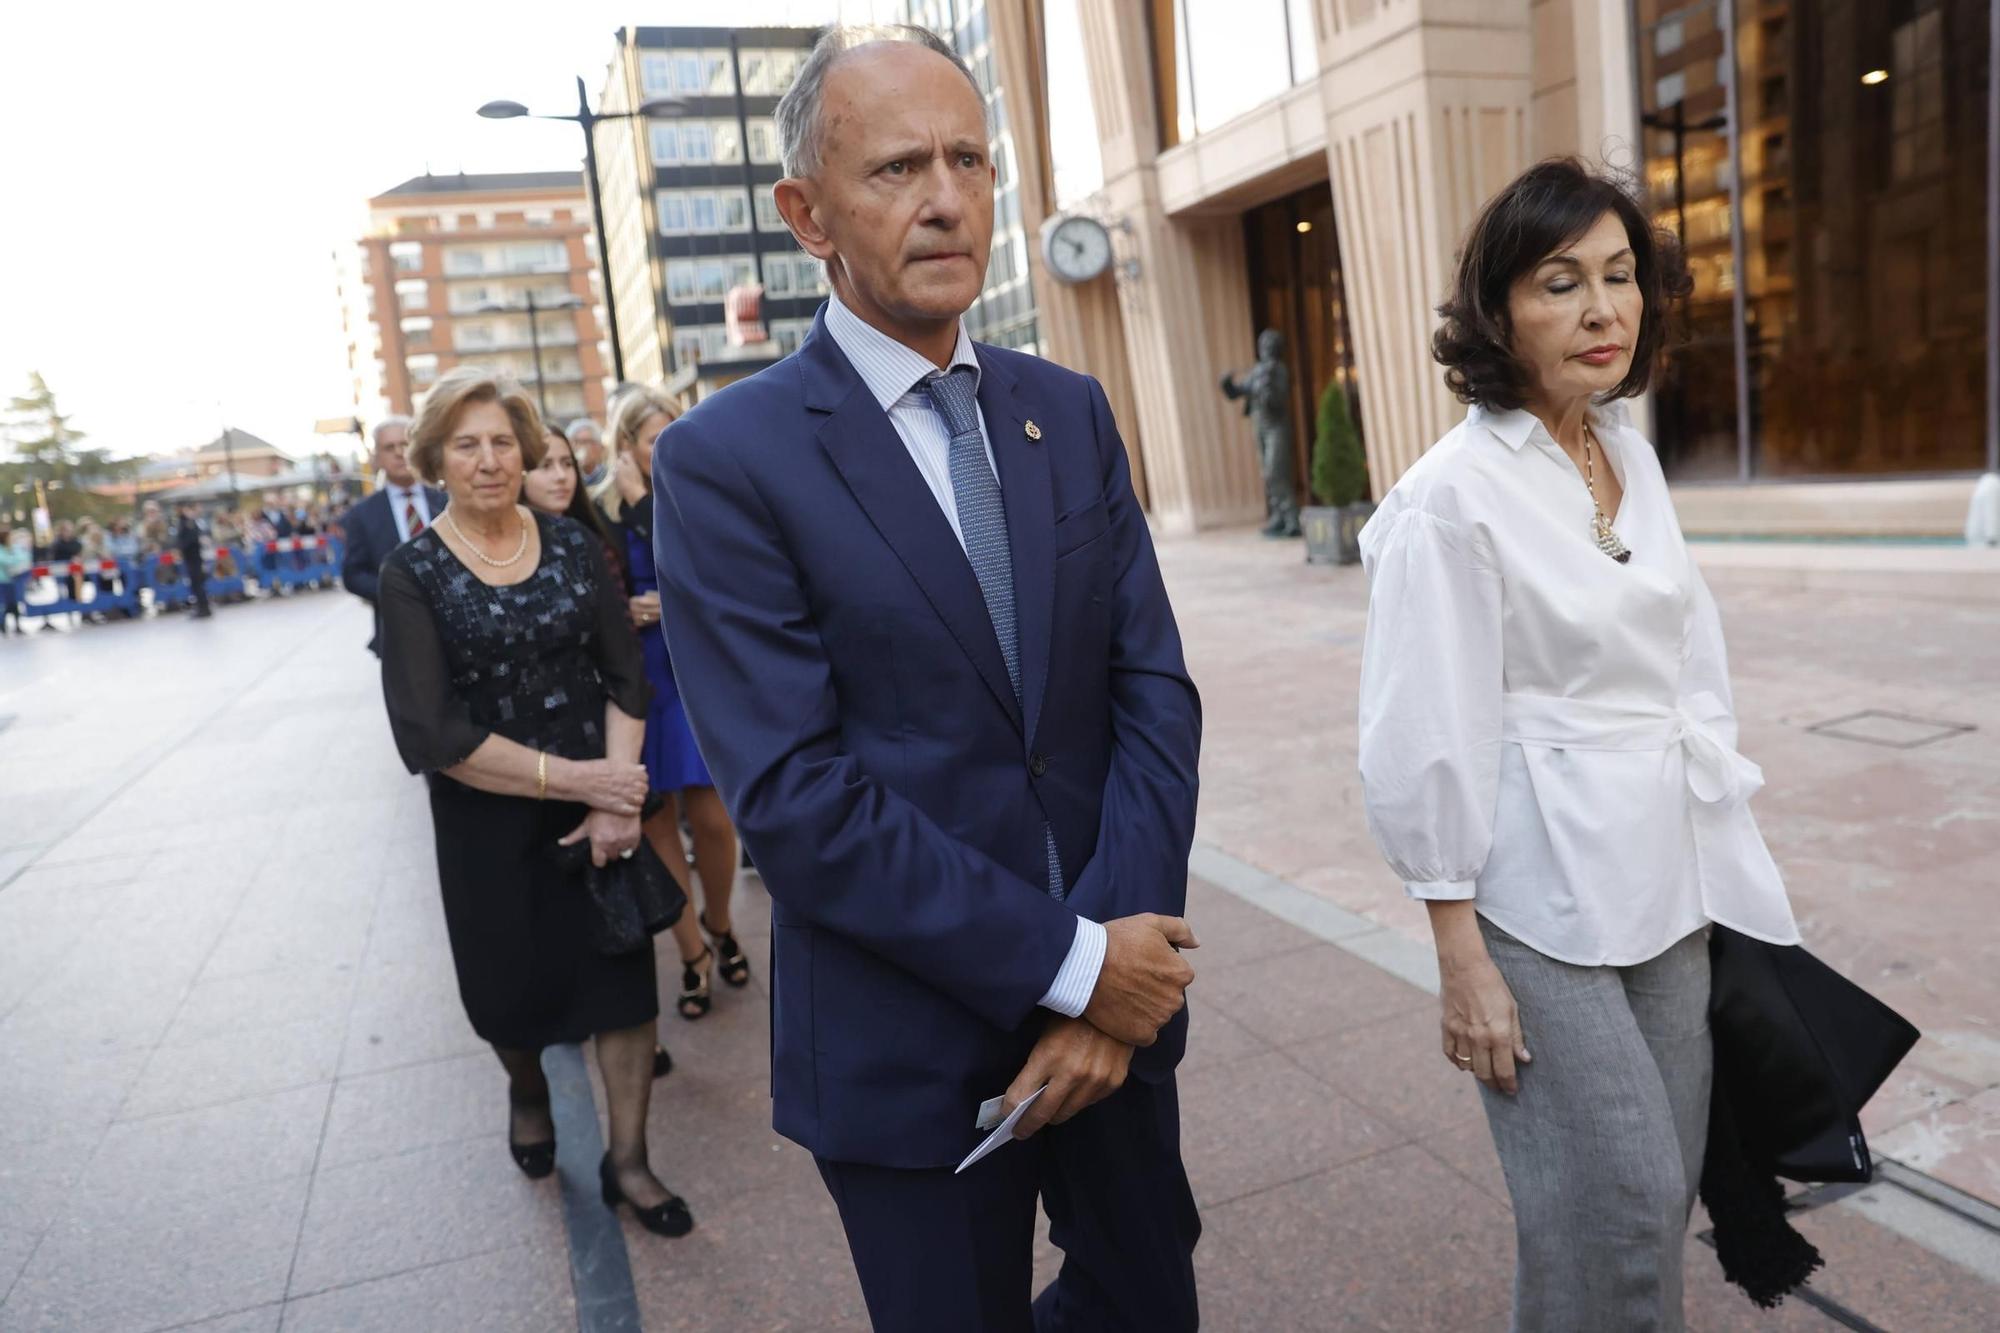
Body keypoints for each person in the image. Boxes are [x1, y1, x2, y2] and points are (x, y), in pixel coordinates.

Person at [650, 25, 1203, 1330]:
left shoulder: (1063, 409)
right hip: (909, 1050)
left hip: (1114, 1015)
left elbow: (1152, 699)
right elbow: (798, 799)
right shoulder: (727, 463)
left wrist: (1115, 983)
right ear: (807, 214)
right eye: (899, 168)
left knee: (1147, 1306)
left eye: (970, 158)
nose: (949, 197)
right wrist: (1073, 966)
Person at [1356, 158, 1803, 1330]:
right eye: (1561, 282)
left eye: (1619, 277)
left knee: (1656, 1200)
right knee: (1612, 1196)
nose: (1603, 308)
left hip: (1662, 874)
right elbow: (1419, 734)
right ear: (1498, 310)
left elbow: (1686, 661)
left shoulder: (1628, 455)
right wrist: (1459, 959)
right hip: (1531, 896)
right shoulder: (1447, 499)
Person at [376, 365, 691, 1236]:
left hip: (603, 814)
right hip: (489, 822)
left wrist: (619, 802)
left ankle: (628, 1162)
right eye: (468, 444)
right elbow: (433, 735)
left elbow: (626, 677)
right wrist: (588, 782)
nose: (489, 460)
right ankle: (526, 1091)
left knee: (625, 993)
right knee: (508, 1000)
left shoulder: (571, 546)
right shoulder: (412, 573)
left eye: (504, 442)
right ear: (436, 458)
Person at [603, 386, 747, 1023]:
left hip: (695, 673)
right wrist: (624, 609)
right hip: (640, 678)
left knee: (714, 819)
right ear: (626, 447)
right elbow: (591, 586)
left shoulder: (696, 491)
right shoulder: (601, 506)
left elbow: (716, 575)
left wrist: (644, 506)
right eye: (651, 439)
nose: (663, 447)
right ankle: (693, 957)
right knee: (658, 825)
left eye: (671, 433)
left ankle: (720, 921)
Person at [341, 416, 446, 653]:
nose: (400, 453)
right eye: (390, 447)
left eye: (406, 444)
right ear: (376, 458)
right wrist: (397, 592)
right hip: (397, 637)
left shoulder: (447, 500)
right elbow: (353, 574)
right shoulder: (362, 514)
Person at [173, 502, 212, 619]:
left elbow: (189, 540)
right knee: (195, 584)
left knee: (197, 583)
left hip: (194, 557)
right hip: (190, 558)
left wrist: (180, 548)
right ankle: (201, 607)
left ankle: (203, 608)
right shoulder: (183, 522)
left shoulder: (188, 522)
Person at [568, 417, 611, 497]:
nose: (582, 447)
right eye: (577, 442)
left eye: (586, 442)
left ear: (599, 446)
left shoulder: (608, 477)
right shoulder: (569, 478)